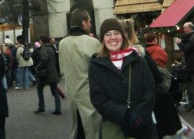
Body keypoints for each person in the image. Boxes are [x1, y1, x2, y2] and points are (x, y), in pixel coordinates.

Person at [89, 18, 155, 139]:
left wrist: (139, 115)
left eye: (116, 33)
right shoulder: (96, 65)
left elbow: (150, 90)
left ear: (123, 36)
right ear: (102, 39)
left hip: (142, 126)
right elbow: (98, 99)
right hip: (114, 127)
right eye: (108, 34)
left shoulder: (138, 60)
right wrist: (125, 115)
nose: (113, 37)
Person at [59, 9, 102, 139]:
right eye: (89, 21)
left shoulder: (62, 43)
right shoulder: (92, 42)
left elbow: (62, 70)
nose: (90, 24)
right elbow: (100, 71)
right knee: (92, 132)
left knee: (77, 131)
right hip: (90, 96)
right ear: (83, 23)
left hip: (72, 95)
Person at [34, 34, 61, 115]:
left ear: (42, 41)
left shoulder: (43, 48)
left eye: (39, 40)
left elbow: (44, 59)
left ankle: (41, 107)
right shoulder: (52, 47)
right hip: (53, 71)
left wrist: (39, 66)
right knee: (54, 91)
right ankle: (58, 108)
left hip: (45, 73)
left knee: (39, 88)